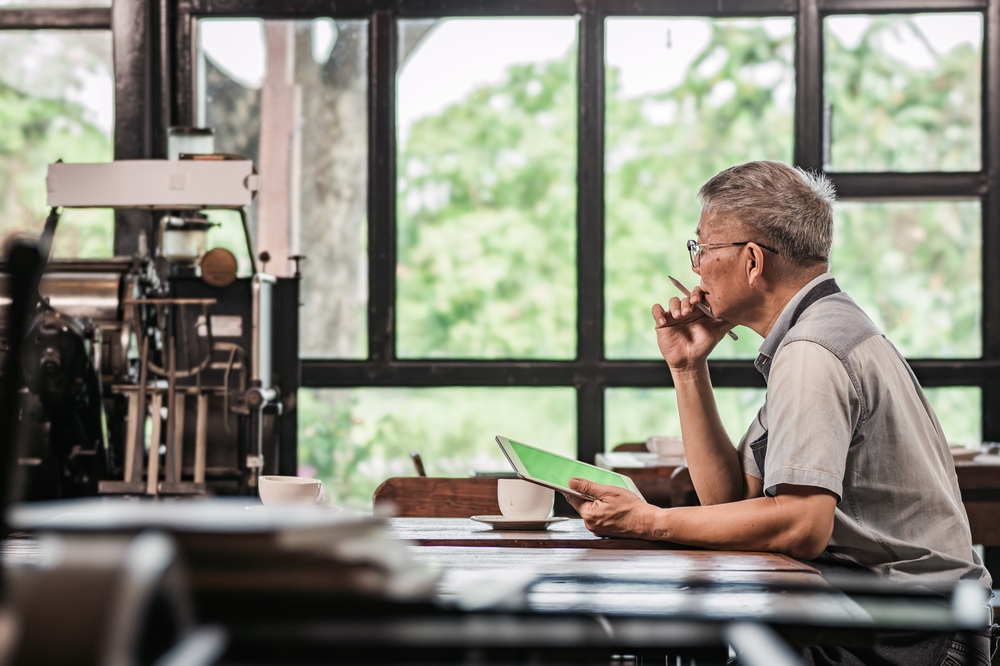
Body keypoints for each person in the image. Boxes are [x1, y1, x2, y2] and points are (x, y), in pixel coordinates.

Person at [565, 161, 995, 665]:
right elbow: (729, 502)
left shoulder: (813, 350)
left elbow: (801, 526)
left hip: (913, 642)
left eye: (702, 247)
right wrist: (687, 368)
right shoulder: (819, 328)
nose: (696, 267)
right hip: (892, 625)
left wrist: (650, 521)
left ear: (752, 261)